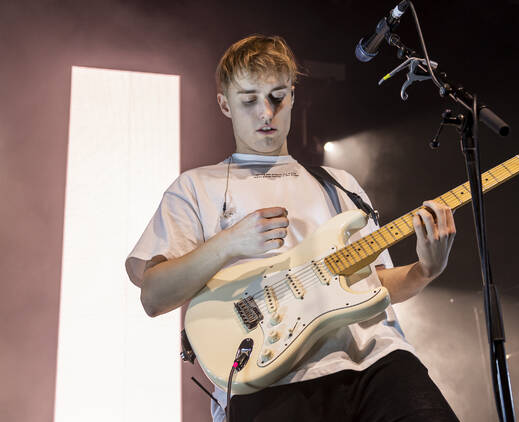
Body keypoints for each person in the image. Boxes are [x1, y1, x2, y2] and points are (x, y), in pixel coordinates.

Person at [125, 34, 458, 422]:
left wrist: (425, 270)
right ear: (224, 104)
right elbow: (154, 295)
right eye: (249, 100)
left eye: (277, 97)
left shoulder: (339, 183)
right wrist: (230, 244)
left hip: (379, 363)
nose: (266, 113)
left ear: (293, 97)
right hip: (269, 380)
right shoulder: (195, 186)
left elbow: (376, 284)